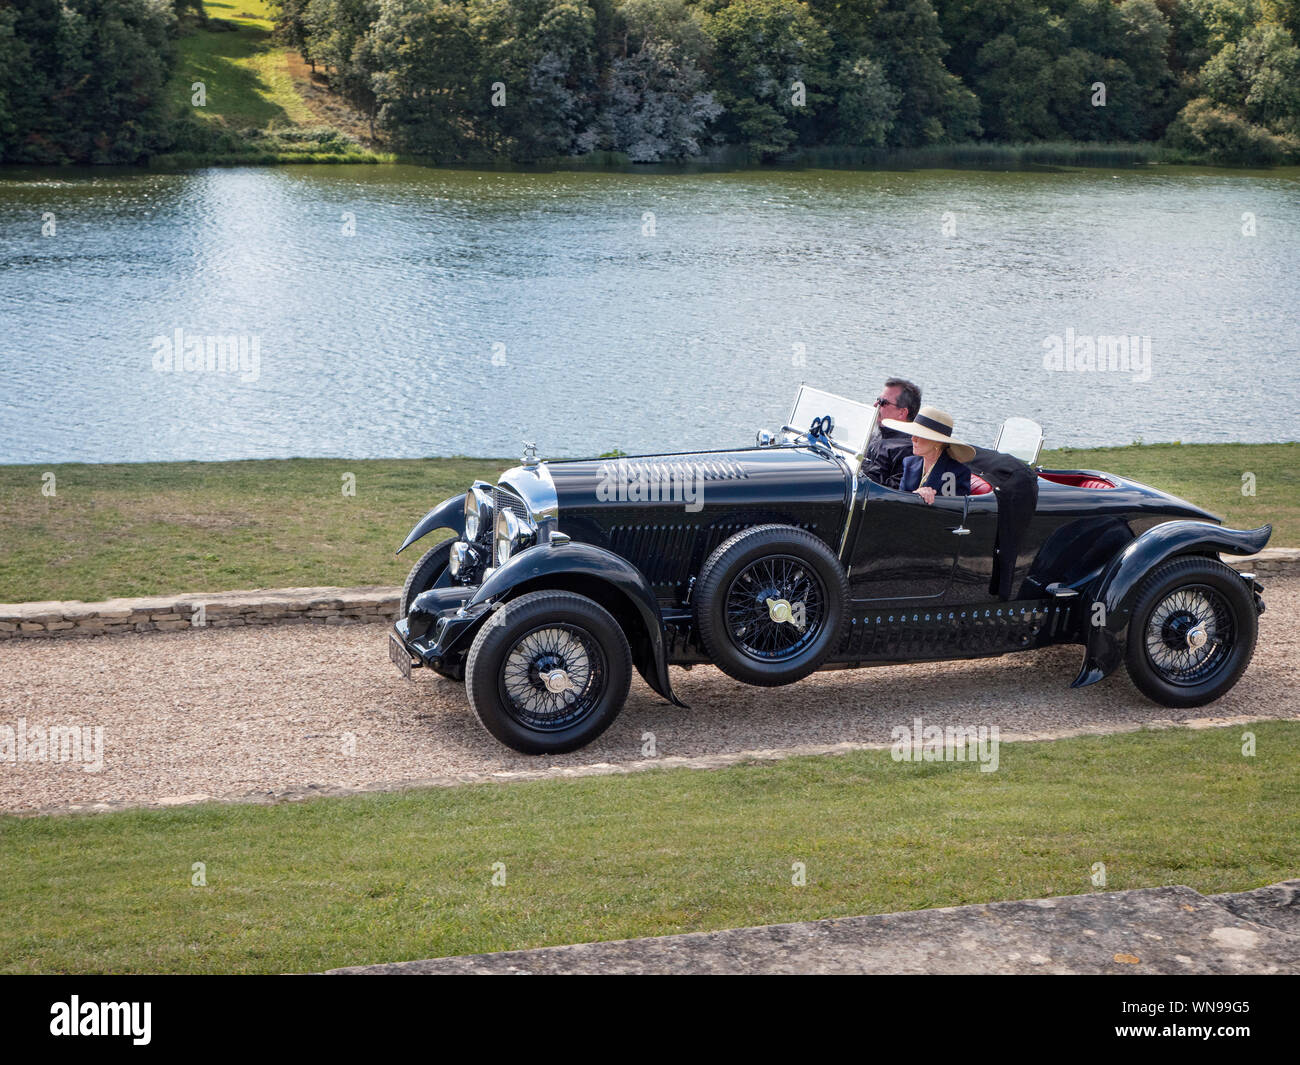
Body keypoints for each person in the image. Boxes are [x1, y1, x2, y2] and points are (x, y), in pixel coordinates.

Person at [881, 406, 975, 504]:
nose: (913, 439)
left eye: (920, 435)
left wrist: (922, 499)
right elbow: (900, 501)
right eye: (913, 433)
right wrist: (916, 495)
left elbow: (951, 512)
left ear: (938, 442)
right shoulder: (909, 463)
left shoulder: (957, 473)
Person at [863, 378, 921, 489]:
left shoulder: (909, 450)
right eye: (877, 400)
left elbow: (892, 493)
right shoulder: (874, 434)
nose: (876, 405)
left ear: (902, 412)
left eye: (883, 403)